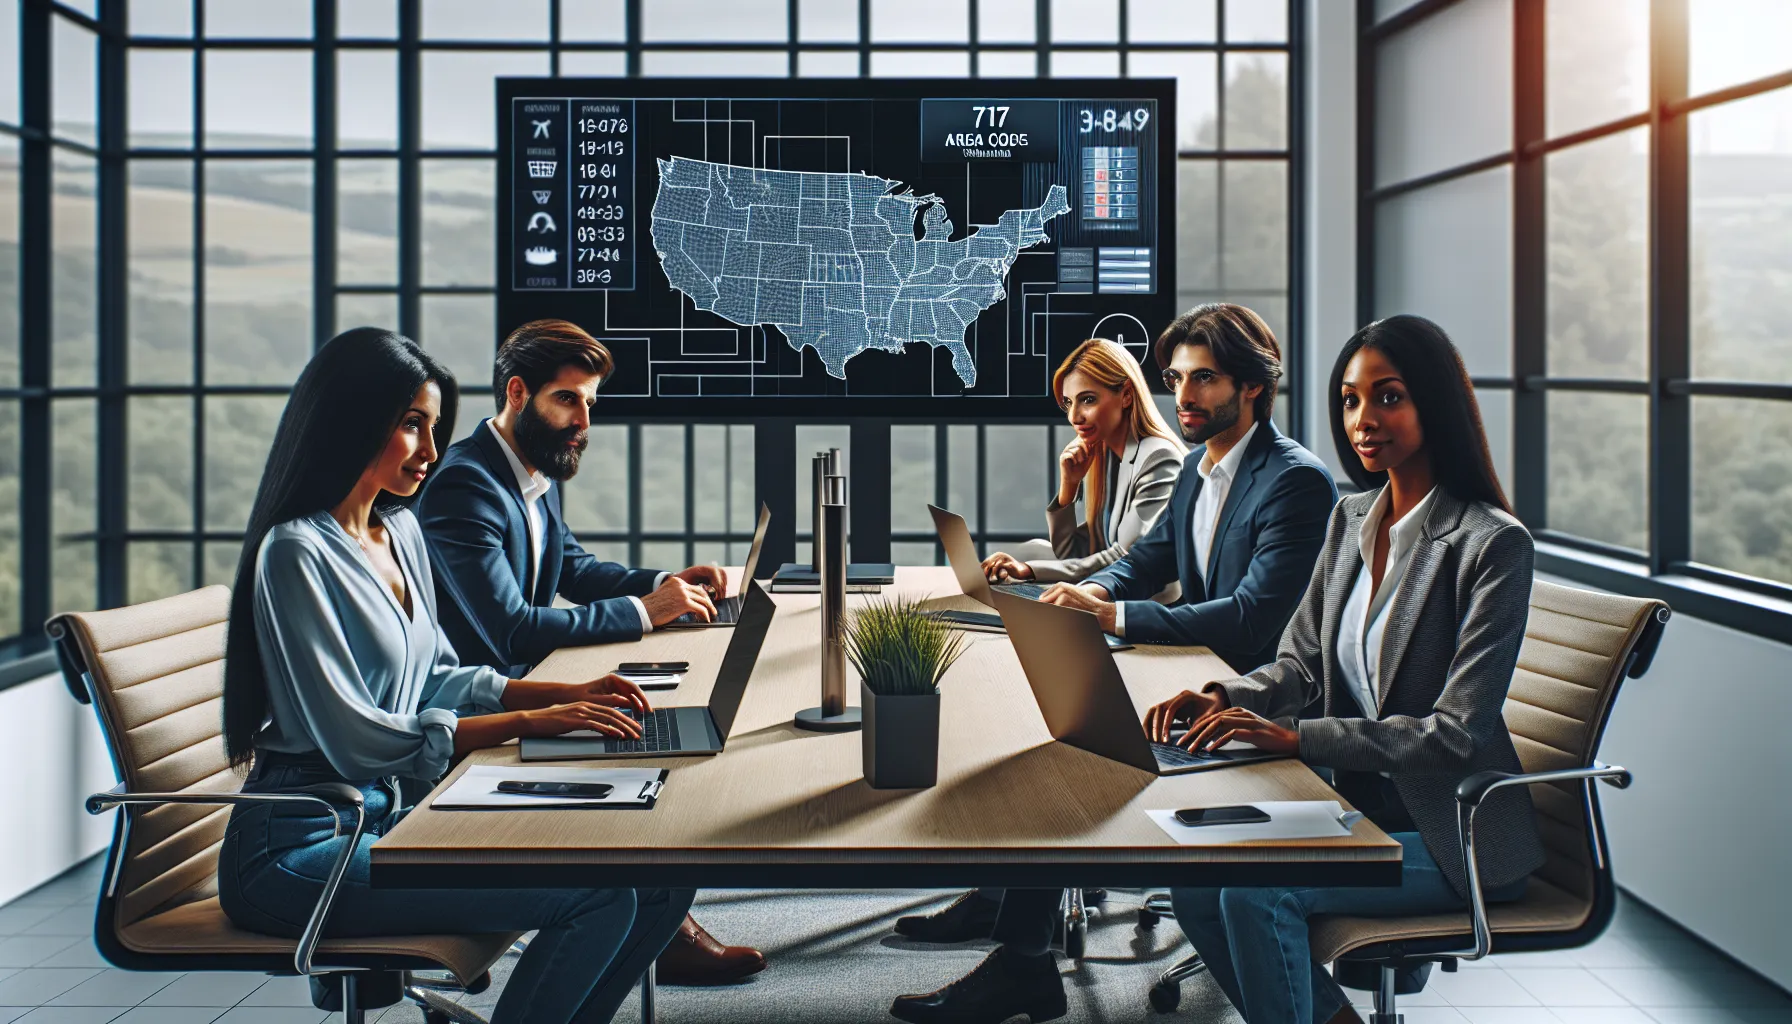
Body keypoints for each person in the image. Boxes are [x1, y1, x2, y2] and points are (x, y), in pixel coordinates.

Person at [216, 328, 693, 1024]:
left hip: (395, 819)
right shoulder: (296, 555)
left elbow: (442, 673)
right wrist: (534, 721)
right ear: (352, 421)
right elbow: (359, 742)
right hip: (301, 847)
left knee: (656, 880)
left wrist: (566, 695)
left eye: (434, 426)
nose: (432, 452)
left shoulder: (400, 532)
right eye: (413, 426)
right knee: (597, 896)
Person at [889, 303, 1337, 1024]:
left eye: (1206, 379)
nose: (1185, 397)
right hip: (1187, 679)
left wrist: (1112, 615)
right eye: (1177, 379)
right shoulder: (1200, 466)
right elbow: (1144, 559)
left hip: (1248, 703)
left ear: (1253, 386)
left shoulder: (1295, 481)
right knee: (1056, 733)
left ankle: (1023, 958)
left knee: (1068, 764)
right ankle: (1021, 944)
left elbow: (1254, 616)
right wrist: (1093, 590)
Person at [1150, 314, 1546, 1024]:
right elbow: (1300, 664)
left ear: (1436, 403)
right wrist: (1222, 695)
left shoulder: (1491, 544)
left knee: (1254, 893)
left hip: (1454, 837)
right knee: (1194, 882)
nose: (1364, 420)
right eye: (1349, 400)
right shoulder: (1352, 518)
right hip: (1360, 809)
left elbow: (1455, 734)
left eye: (1388, 397)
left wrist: (1300, 740)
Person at [414, 318, 766, 986]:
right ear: (518, 393)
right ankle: (658, 926)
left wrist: (664, 586)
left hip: (526, 689)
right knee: (661, 751)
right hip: (480, 714)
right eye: (567, 400)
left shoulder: (518, 473)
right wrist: (644, 614)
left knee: (666, 726)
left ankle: (657, 921)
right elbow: (509, 630)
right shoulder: (466, 485)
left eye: (590, 404)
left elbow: (570, 568)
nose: (582, 420)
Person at [979, 337, 1186, 590]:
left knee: (1028, 572)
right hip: (1109, 586)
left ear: (1127, 396)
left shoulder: (1158, 457)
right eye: (1068, 402)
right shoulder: (1109, 457)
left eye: (1087, 399)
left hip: (1148, 603)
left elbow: (1127, 558)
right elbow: (1074, 552)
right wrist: (1069, 484)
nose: (1074, 417)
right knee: (1029, 550)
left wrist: (1029, 570)